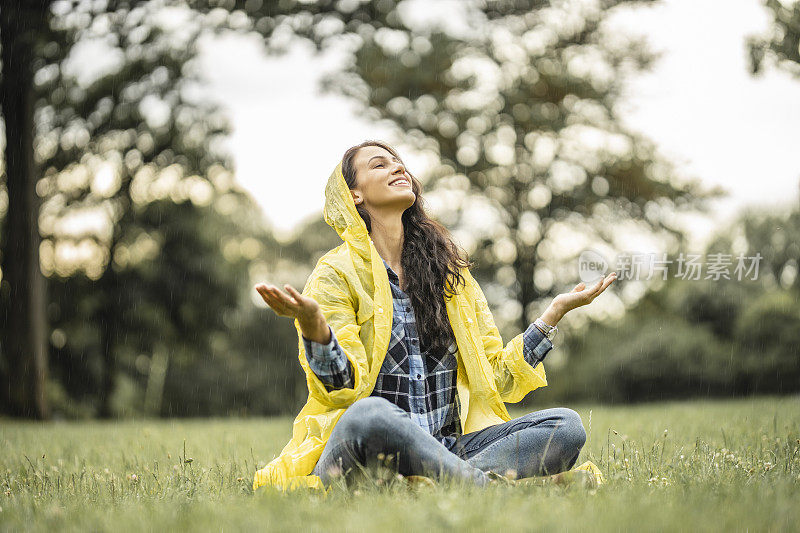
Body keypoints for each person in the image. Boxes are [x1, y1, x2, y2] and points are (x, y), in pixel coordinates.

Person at [253, 140, 617, 491]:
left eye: (399, 163)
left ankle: (432, 482)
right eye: (379, 164)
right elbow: (339, 388)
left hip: (446, 448)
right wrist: (315, 328)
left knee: (565, 427)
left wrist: (552, 314)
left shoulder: (448, 275)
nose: (397, 167)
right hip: (365, 448)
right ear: (354, 196)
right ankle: (490, 486)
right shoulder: (335, 274)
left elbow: (498, 379)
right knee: (370, 414)